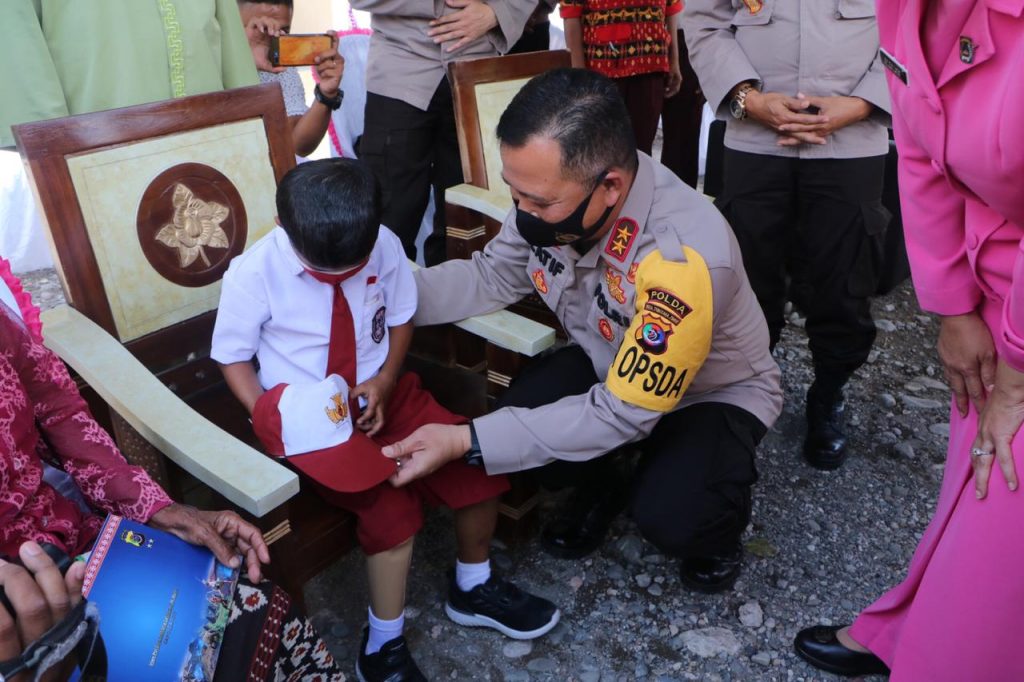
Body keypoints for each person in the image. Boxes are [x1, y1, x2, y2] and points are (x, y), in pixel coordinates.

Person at [382, 69, 782, 594]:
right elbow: (491, 274)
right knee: (521, 433)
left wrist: (463, 441)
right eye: (514, 193)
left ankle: (712, 523)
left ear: (611, 185)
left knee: (674, 516)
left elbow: (623, 412)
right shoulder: (554, 192)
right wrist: (380, 303)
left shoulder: (681, 261)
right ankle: (609, 480)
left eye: (538, 203)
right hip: (608, 362)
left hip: (709, 392)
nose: (522, 213)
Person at [210, 158, 559, 681]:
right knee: (390, 513)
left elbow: (399, 317)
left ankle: (474, 582)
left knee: (479, 461)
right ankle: (383, 644)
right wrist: (269, 414)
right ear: (283, 228)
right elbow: (232, 356)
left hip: (385, 394)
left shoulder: (384, 245)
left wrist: (386, 381)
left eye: (353, 267)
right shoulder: (253, 271)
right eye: (326, 274)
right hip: (311, 416)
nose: (345, 279)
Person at [795, 2, 1024, 680]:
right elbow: (921, 156)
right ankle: (914, 627)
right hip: (990, 281)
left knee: (1001, 519)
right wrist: (953, 307)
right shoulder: (904, 8)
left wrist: (1016, 365)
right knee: (971, 486)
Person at [0, 290, 344, 681]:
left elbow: (57, 409)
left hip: (70, 547)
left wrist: (156, 509)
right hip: (16, 619)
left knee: (259, 609)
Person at [683, 0, 893, 470]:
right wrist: (747, 99)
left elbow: (914, 30)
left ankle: (829, 391)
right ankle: (742, 392)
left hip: (853, 140)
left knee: (844, 282)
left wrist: (863, 103)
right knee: (746, 279)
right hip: (754, 138)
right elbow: (704, 19)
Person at [350, 0, 534, 265]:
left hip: (479, 71)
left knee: (469, 216)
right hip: (401, 70)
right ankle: (383, 301)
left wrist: (497, 12)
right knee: (390, 215)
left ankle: (456, 300)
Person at [0, 0, 258, 149]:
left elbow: (228, 41)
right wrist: (49, 150)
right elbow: (19, 52)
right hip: (97, 148)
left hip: (209, 136)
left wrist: (252, 122)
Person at [561, 0, 682, 154]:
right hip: (601, 71)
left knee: (641, 152)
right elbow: (571, 13)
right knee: (602, 152)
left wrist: (674, 59)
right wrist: (579, 75)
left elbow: (671, 8)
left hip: (651, 64)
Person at [237, 0, 345, 157]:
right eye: (262, 29)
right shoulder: (208, 60)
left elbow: (298, 145)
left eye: (283, 31)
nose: (273, 38)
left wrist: (326, 95)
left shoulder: (282, 67)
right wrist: (243, 58)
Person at [659, 27, 705, 189]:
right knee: (632, 143)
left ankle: (679, 209)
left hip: (689, 35)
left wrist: (706, 65)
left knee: (683, 142)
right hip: (638, 37)